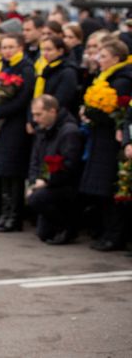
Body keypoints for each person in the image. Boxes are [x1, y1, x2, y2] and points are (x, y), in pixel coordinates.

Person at [79, 39, 132, 251]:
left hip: (111, 142)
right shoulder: (105, 77)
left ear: (116, 58)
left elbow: (116, 114)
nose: (98, 60)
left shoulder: (122, 80)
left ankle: (114, 235)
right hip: (100, 139)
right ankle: (106, 232)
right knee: (103, 190)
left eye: (103, 56)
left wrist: (91, 113)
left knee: (111, 190)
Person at [0, 33, 35, 231]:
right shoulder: (3, 66)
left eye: (11, 47)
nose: (7, 51)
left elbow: (22, 100)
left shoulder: (26, 68)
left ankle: (15, 217)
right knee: (2, 170)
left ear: (20, 47)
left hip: (15, 124)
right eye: (4, 47)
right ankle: (4, 214)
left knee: (13, 171)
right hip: (1, 124)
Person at [26, 95, 82, 244]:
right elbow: (35, 160)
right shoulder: (43, 130)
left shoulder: (69, 131)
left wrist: (45, 181)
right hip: (47, 183)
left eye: (39, 114)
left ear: (52, 111)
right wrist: (33, 182)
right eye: (33, 114)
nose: (35, 119)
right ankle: (57, 227)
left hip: (64, 186)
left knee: (36, 199)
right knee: (43, 234)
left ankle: (68, 227)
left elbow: (70, 167)